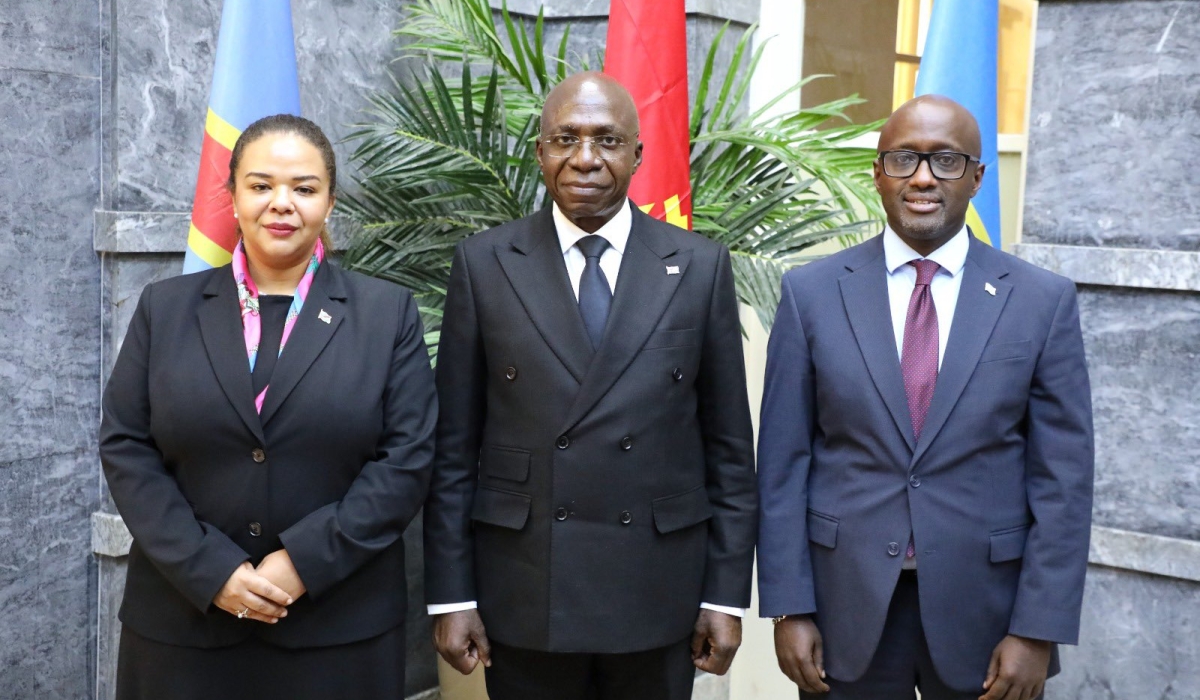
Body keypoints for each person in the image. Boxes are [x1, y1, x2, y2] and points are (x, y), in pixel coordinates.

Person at [423, 72, 757, 700]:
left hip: (657, 590)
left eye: (607, 140)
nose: (584, 158)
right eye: (565, 138)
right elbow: (453, 450)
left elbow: (730, 453)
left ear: (637, 155)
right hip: (526, 588)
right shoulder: (485, 263)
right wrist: (452, 595)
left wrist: (724, 595)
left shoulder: (699, 266)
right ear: (540, 152)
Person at [756, 95, 1094, 700]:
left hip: (989, 621)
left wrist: (1037, 629)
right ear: (878, 173)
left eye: (945, 161)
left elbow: (1063, 482)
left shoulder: (1042, 302)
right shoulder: (811, 293)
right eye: (904, 158)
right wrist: (790, 606)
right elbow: (783, 465)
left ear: (976, 177)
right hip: (844, 613)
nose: (922, 177)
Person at [99, 114, 436, 699]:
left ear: (330, 202)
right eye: (260, 186)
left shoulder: (386, 314)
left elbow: (406, 460)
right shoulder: (165, 308)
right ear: (231, 197)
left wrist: (304, 562)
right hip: (185, 625)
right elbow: (127, 446)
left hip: (337, 630)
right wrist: (210, 569)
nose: (282, 204)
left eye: (304, 188)